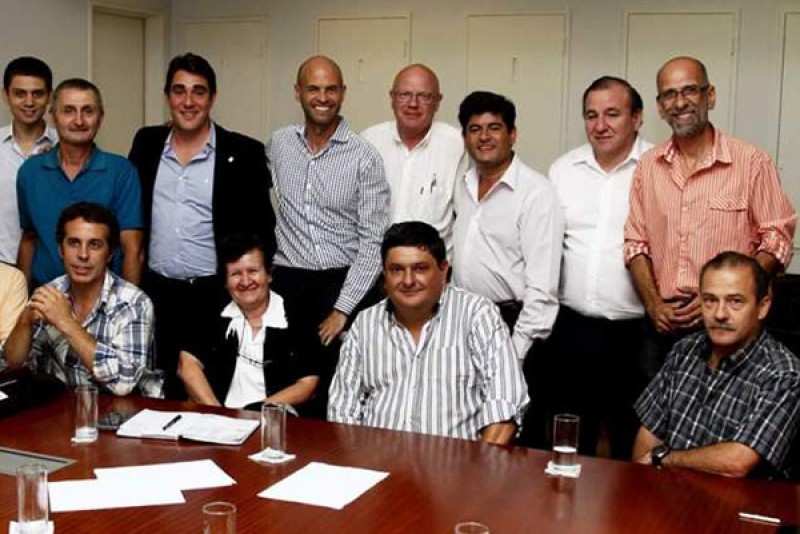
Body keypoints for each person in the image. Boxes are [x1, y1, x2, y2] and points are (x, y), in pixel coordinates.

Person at [624, 56, 797, 379]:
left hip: (729, 322)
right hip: (663, 326)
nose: (680, 102)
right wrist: (653, 304)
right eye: (669, 94)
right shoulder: (648, 167)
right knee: (657, 409)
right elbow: (636, 244)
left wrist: (723, 298)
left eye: (690, 90)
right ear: (660, 107)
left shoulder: (751, 162)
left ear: (711, 96)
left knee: (724, 409)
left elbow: (777, 240)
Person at [128, 53, 275, 399]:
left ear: (212, 97)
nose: (188, 101)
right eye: (179, 91)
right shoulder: (147, 144)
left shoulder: (244, 152)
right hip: (159, 294)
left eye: (199, 91)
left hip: (216, 295)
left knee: (212, 393)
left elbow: (262, 230)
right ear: (167, 96)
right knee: (159, 391)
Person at [328, 221, 528, 443]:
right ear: (384, 274)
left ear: (443, 270)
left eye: (420, 268)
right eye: (397, 270)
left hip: (455, 462)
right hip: (376, 458)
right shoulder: (365, 324)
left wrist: (478, 464)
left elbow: (505, 405)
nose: (408, 280)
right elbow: (342, 411)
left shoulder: (476, 314)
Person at [266, 55, 390, 414]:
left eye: (331, 89)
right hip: (288, 284)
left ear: (343, 93)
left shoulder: (364, 156)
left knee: (337, 392)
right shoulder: (279, 144)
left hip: (342, 284)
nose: (323, 98)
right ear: (298, 92)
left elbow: (373, 241)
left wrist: (342, 309)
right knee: (286, 386)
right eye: (314, 89)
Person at [547, 76, 653, 459]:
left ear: (637, 118)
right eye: (591, 115)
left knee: (631, 436)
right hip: (572, 327)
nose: (600, 125)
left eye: (612, 114)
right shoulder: (563, 169)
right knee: (570, 434)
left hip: (638, 332)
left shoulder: (659, 168)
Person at [452, 91, 562, 447]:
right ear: (465, 137)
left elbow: (542, 289)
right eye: (475, 129)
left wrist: (514, 353)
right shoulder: (464, 183)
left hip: (513, 327)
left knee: (516, 434)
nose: (484, 137)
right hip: (466, 322)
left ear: (512, 134)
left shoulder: (536, 193)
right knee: (470, 422)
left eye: (494, 128)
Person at [633, 251, 800, 478]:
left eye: (735, 301)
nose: (720, 314)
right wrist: (646, 487)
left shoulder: (784, 374)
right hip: (667, 493)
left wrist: (664, 458)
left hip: (733, 499)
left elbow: (738, 462)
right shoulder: (685, 350)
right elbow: (647, 438)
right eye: (710, 300)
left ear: (762, 306)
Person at [4, 203, 160, 397]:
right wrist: (24, 322)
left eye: (94, 245)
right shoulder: (50, 293)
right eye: (74, 243)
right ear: (61, 250)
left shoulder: (134, 303)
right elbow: (13, 366)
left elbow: (124, 383)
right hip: (63, 409)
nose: (83, 255)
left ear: (110, 254)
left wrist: (66, 322)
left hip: (125, 410)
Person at [17, 78, 143, 288]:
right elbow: (29, 239)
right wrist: (21, 300)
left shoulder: (121, 172)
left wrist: (129, 303)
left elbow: (133, 249)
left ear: (100, 117)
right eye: (68, 111)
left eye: (88, 111)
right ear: (54, 116)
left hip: (104, 299)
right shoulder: (30, 172)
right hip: (45, 295)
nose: (79, 121)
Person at [177, 233, 319, 410]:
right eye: (236, 274)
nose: (245, 281)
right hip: (218, 415)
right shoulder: (211, 310)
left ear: (269, 274)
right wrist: (217, 412)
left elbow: (308, 383)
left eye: (253, 271)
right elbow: (187, 364)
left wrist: (256, 412)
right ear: (225, 282)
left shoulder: (296, 316)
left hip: (274, 419)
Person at [361, 64, 466, 255]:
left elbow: (468, 216)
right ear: (392, 98)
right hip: (377, 265)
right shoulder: (368, 141)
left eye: (424, 96)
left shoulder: (458, 145)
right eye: (404, 95)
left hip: (432, 267)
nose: (413, 104)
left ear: (438, 102)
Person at [1, 57, 57, 265]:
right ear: (5, 95)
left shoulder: (66, 147)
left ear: (49, 96)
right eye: (20, 93)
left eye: (37, 94)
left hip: (51, 269)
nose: (29, 102)